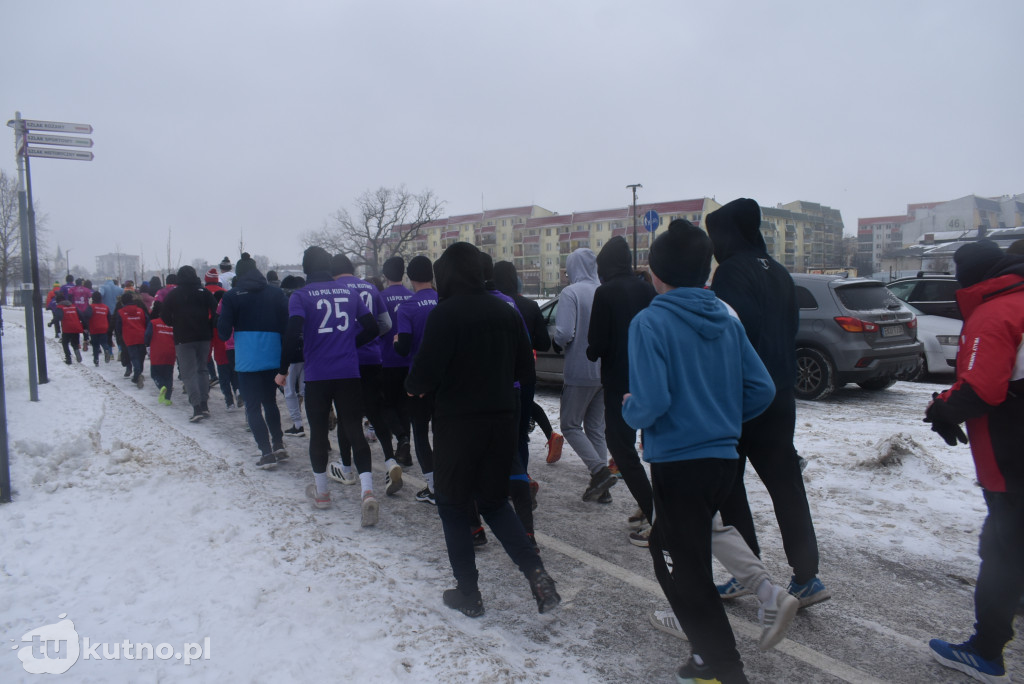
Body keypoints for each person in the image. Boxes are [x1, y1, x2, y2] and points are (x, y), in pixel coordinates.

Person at [622, 219, 775, 684]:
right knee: (679, 547)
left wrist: (629, 409)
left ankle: (724, 666)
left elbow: (652, 401)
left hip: (678, 461)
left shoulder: (650, 321)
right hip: (723, 459)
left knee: (682, 567)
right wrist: (720, 416)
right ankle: (711, 655)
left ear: (656, 274)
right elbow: (762, 388)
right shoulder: (726, 317)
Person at [405, 242, 560, 618]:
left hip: (457, 425)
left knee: (452, 505)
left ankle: (469, 593)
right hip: (502, 420)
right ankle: (536, 573)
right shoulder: (505, 311)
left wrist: (416, 387)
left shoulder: (445, 314)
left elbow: (421, 377)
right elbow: (526, 370)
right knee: (494, 503)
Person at [707, 197, 829, 607]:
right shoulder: (778, 272)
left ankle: (748, 572)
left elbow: (729, 336)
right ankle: (807, 577)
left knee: (729, 485)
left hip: (743, 396)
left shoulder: (731, 272)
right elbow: (790, 327)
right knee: (786, 483)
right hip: (781, 394)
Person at [926, 239, 1024, 683]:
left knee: (1000, 552)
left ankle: (986, 653)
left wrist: (941, 409)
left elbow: (982, 388)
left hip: (1012, 457)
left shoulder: (995, 312)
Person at [277, 246, 379, 522]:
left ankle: (322, 493)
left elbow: (292, 332)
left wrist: (283, 369)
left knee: (319, 433)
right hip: (348, 372)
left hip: (318, 374)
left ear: (306, 268)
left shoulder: (300, 296)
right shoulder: (350, 293)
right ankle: (367, 492)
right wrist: (349, 343)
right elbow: (372, 327)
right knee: (354, 430)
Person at [585, 235, 656, 543]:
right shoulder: (647, 288)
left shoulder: (606, 292)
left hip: (619, 381)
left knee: (622, 449)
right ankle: (650, 504)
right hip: (650, 379)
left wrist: (591, 350)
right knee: (653, 448)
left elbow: (596, 343)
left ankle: (654, 511)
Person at [329, 254, 401, 495]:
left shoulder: (334, 289)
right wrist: (371, 340)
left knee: (346, 416)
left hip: (346, 361)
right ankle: (390, 460)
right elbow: (386, 324)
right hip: (372, 358)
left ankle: (346, 467)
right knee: (376, 411)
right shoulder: (370, 288)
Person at [553, 247, 615, 502]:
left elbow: (565, 332)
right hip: (604, 370)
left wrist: (557, 342)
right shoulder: (604, 290)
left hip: (580, 368)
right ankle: (603, 489)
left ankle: (599, 471)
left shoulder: (571, 293)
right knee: (595, 429)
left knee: (569, 424)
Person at [218, 253, 290, 469]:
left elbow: (223, 333)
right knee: (270, 402)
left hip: (247, 358)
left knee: (252, 406)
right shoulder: (276, 293)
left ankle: (266, 452)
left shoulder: (232, 296)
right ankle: (278, 444)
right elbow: (287, 325)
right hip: (273, 355)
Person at [394, 256, 438, 504]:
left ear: (410, 278)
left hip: (419, 380)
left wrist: (396, 342)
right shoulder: (444, 300)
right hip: (445, 379)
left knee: (420, 433)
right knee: (443, 433)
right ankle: (450, 482)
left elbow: (404, 348)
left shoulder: (408, 307)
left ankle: (433, 487)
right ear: (431, 275)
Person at [161, 265, 217, 422]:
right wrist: (210, 325)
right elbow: (216, 311)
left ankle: (196, 407)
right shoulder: (204, 292)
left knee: (189, 372)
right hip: (204, 336)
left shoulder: (174, 294)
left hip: (183, 337)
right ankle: (204, 404)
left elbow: (164, 315)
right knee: (202, 370)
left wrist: (175, 323)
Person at [378, 257, 413, 467]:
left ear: (385, 275)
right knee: (404, 407)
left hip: (387, 358)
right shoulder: (412, 297)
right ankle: (405, 453)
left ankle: (401, 438)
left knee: (385, 404)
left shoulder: (381, 297)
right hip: (408, 360)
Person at [279, 275, 306, 436]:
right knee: (306, 390)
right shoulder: (306, 300)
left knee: (289, 391)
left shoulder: (284, 304)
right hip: (307, 352)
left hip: (290, 354)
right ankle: (319, 426)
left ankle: (297, 424)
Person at [115, 292, 149, 389]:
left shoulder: (121, 312)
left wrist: (120, 336)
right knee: (141, 356)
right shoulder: (140, 311)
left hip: (129, 338)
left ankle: (137, 374)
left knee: (134, 357)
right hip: (141, 336)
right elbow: (147, 322)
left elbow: (118, 327)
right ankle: (138, 374)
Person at [145, 301, 177, 405]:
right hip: (171, 352)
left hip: (157, 352)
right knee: (168, 376)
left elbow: (147, 336)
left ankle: (161, 386)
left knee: (155, 374)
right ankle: (167, 399)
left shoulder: (154, 323)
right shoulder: (174, 325)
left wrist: (147, 345)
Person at [52, 296, 83, 364]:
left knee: (65, 343)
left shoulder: (60, 307)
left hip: (67, 328)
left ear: (58, 301)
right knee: (75, 343)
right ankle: (76, 350)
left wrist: (51, 322)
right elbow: (81, 316)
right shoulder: (73, 306)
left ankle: (68, 358)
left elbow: (58, 317)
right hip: (76, 327)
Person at [86, 291, 113, 366]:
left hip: (94, 328)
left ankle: (96, 360)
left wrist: (86, 326)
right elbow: (109, 318)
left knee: (95, 345)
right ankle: (106, 349)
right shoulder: (105, 307)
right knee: (104, 342)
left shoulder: (91, 307)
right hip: (104, 328)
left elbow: (87, 315)